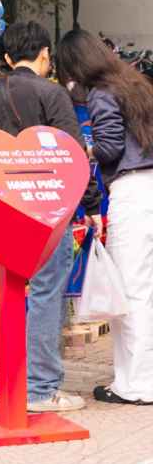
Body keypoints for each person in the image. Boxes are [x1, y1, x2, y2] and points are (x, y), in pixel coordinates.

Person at [0, 20, 102, 413]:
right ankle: (42, 388)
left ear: (9, 57)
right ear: (45, 54)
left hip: (1, 209)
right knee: (46, 291)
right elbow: (72, 155)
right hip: (46, 209)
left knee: (1, 285)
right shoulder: (53, 94)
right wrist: (92, 204)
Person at [57, 28, 153, 405]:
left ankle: (136, 385)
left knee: (131, 292)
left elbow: (111, 147)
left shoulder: (101, 93)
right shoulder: (136, 83)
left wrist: (86, 151)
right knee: (146, 290)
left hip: (133, 192)